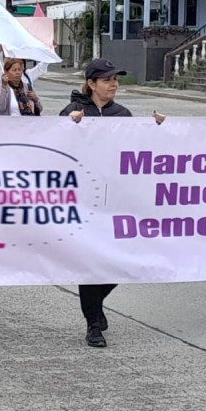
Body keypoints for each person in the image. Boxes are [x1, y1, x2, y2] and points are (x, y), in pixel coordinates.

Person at [59, 59, 134, 348]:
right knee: (90, 264)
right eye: (107, 80)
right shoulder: (73, 112)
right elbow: (54, 149)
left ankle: (96, 304)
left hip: (116, 200)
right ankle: (93, 325)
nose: (113, 84)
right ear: (91, 84)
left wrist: (157, 130)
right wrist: (69, 127)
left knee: (121, 261)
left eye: (116, 79)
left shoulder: (123, 114)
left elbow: (141, 151)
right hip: (83, 202)